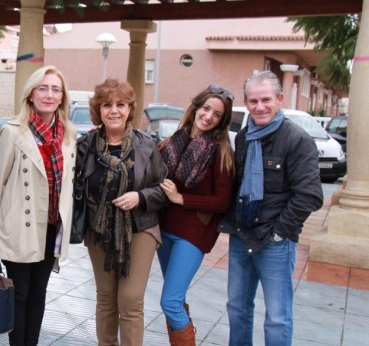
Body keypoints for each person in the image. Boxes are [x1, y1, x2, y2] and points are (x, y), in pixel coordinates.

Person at [218, 71, 323, 345]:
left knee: (277, 317)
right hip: (241, 237)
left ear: (280, 98)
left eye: (266, 99)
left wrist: (279, 232)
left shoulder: (297, 140)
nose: (259, 107)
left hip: (275, 243)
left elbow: (309, 196)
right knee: (237, 308)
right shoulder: (243, 138)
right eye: (253, 101)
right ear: (246, 102)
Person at [0, 65, 77, 346]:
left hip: (52, 227)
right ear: (31, 94)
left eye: (55, 89)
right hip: (20, 226)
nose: (49, 95)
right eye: (43, 88)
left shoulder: (69, 135)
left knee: (39, 292)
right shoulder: (13, 132)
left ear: (62, 97)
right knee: (20, 293)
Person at [77, 78, 168, 345]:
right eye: (107, 104)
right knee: (106, 297)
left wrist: (139, 197)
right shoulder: (86, 146)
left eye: (120, 104)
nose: (114, 110)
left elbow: (164, 189)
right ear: (99, 110)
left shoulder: (147, 145)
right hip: (99, 230)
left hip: (140, 228)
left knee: (130, 299)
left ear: (130, 109)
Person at [157, 85, 235, 345]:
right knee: (175, 299)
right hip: (163, 229)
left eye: (217, 114)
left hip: (191, 235)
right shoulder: (172, 142)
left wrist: (181, 198)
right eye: (206, 108)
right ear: (196, 108)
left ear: (221, 121)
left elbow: (222, 201)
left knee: (169, 301)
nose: (209, 116)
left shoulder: (220, 151)